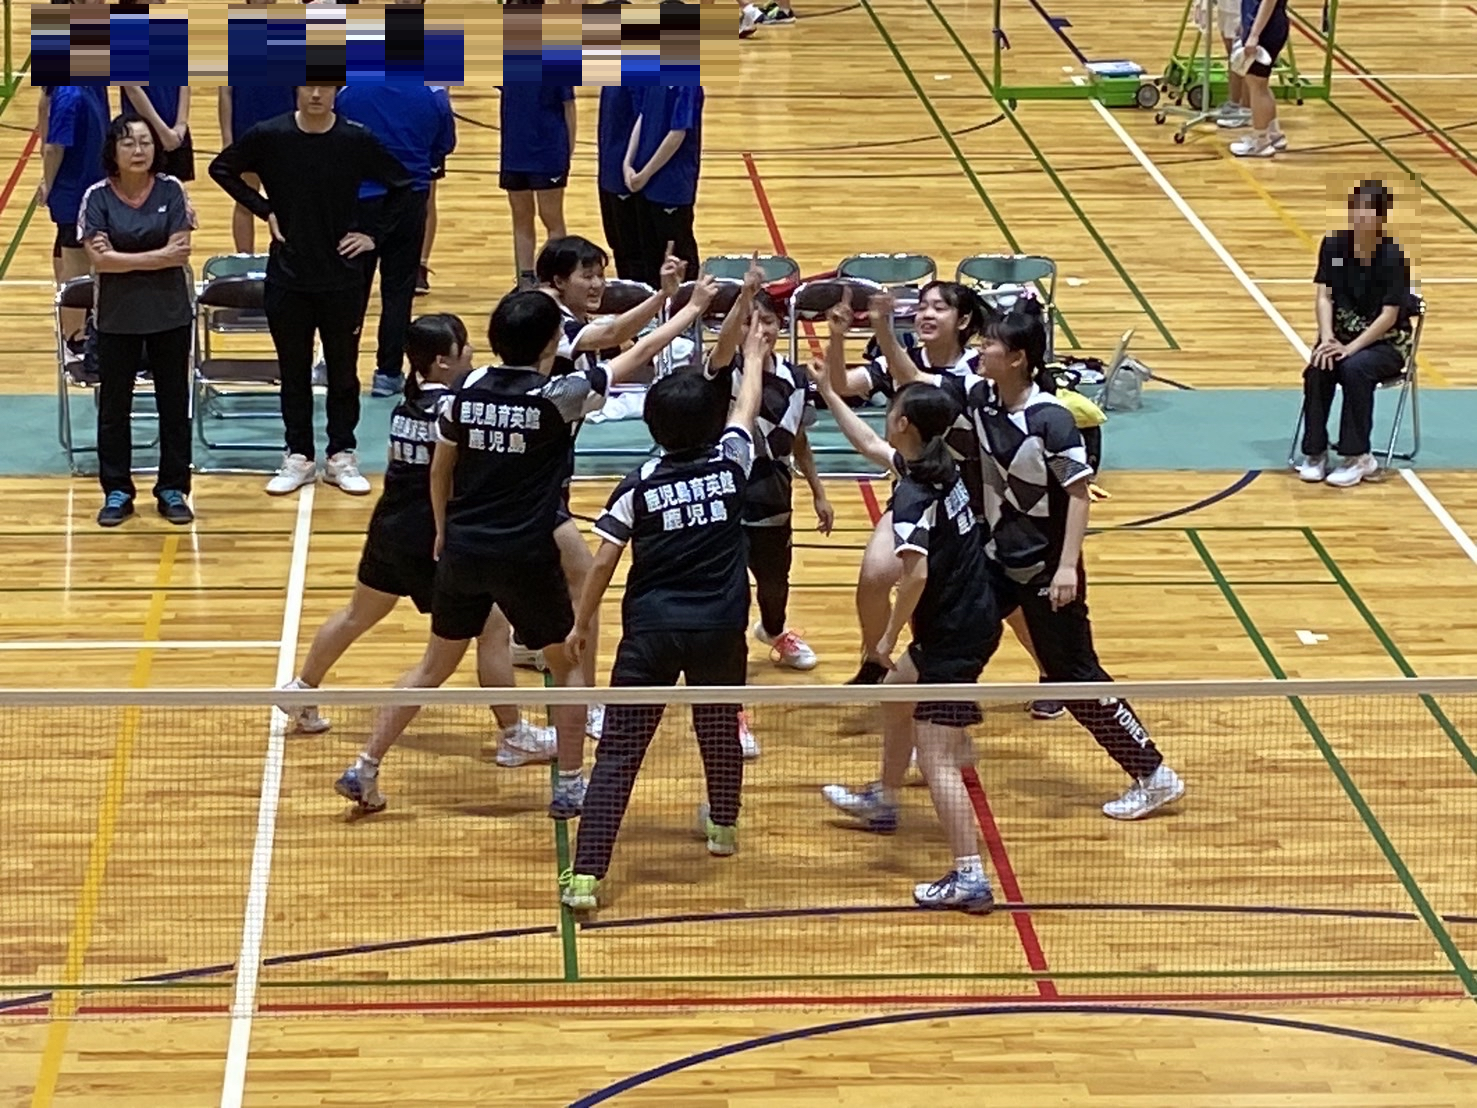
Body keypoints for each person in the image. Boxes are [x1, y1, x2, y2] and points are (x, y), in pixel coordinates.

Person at [333, 281, 720, 817]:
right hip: (525, 557)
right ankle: (570, 783)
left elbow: (442, 467)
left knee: (432, 666)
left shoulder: (463, 389)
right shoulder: (558, 398)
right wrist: (692, 308)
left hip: (463, 552)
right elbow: (639, 354)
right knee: (566, 665)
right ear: (550, 344)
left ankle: (365, 765)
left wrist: (443, 529)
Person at [279, 313, 557, 765]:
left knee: (357, 613)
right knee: (492, 628)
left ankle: (301, 689)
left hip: (389, 528)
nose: (471, 352)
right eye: (463, 346)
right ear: (443, 361)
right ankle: (514, 735)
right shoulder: (454, 408)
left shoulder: (405, 407)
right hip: (427, 539)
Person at [559, 314, 767, 913]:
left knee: (620, 750)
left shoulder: (639, 485)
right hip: (720, 629)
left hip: (650, 634)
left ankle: (586, 875)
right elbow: (745, 409)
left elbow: (602, 562)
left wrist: (581, 624)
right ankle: (722, 826)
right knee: (718, 727)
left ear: (652, 426)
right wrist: (754, 357)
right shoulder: (732, 463)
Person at [969, 298, 1185, 820]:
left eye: (990, 343)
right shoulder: (982, 399)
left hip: (1046, 567)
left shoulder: (1052, 420)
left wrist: (1066, 567)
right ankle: (923, 745)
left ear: (1017, 357)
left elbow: (1080, 496)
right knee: (949, 641)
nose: (981, 349)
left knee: (1077, 677)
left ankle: (1154, 773)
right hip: (998, 559)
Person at [807, 365, 1000, 912]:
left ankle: (970, 875)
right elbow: (869, 445)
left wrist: (886, 637)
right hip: (965, 620)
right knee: (896, 698)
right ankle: (884, 800)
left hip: (953, 636)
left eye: (890, 411)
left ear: (904, 424)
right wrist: (828, 392)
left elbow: (913, 576)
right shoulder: (940, 465)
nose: (884, 418)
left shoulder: (915, 493)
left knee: (936, 757)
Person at [514, 234, 687, 743]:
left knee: (512, 589)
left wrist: (663, 297)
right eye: (586, 275)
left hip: (543, 474)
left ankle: (525, 643)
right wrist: (675, 302)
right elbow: (617, 336)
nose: (597, 284)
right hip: (531, 484)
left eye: (600, 274)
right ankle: (585, 702)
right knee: (583, 582)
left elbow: (611, 332)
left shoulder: (556, 316)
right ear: (556, 280)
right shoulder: (551, 321)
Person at [209, 84, 412, 498]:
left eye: (324, 87)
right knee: (294, 371)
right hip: (288, 277)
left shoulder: (356, 138)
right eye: (308, 85)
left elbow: (403, 185)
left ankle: (341, 454)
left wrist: (372, 234)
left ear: (337, 91)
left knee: (343, 371)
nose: (316, 94)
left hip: (342, 278)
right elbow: (222, 169)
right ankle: (298, 455)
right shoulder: (270, 135)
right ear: (296, 89)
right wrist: (264, 209)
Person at [705, 255, 832, 675]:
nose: (760, 330)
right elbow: (723, 345)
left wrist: (819, 493)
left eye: (769, 322)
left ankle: (775, 632)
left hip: (774, 496)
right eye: (750, 322)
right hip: (728, 496)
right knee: (730, 585)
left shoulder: (796, 379)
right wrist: (745, 295)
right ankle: (728, 650)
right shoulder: (725, 370)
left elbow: (799, 440)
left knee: (775, 583)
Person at [80, 114, 196, 528]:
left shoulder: (172, 189)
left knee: (173, 405)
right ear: (113, 150)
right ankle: (117, 491)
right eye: (128, 143)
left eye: (146, 142)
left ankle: (172, 489)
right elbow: (101, 261)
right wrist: (157, 256)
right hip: (116, 319)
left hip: (170, 316)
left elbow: (180, 251)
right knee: (114, 409)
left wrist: (124, 257)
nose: (138, 150)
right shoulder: (96, 197)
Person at [336, 81, 456, 398]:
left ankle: (342, 370)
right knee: (399, 291)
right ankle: (388, 373)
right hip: (410, 201)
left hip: (360, 203)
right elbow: (444, 145)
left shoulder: (350, 92)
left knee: (351, 291)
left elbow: (337, 138)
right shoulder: (433, 95)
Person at [1297, 181, 1413, 488]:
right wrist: (1327, 339)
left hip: (1385, 343)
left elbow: (1388, 316)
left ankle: (1357, 456)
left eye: (1367, 211)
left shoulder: (1392, 258)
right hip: (1340, 337)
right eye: (1355, 209)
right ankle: (1315, 452)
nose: (1359, 216)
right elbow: (1325, 296)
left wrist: (1351, 349)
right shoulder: (1334, 248)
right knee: (1319, 367)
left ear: (1381, 217)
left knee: (1354, 368)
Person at [217, 0, 296, 254]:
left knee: (288, 200)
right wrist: (227, 138)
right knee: (245, 200)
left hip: (285, 128)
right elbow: (226, 91)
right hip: (247, 128)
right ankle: (244, 258)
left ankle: (288, 254)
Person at [40, 82, 109, 357]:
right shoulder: (70, 94)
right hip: (73, 192)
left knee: (77, 259)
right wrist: (47, 183)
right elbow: (54, 148)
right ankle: (73, 337)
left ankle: (80, 326)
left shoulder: (91, 85)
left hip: (90, 186)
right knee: (76, 264)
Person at [624, 84, 703, 286]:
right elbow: (643, 116)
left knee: (678, 262)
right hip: (645, 184)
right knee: (650, 259)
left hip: (672, 188)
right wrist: (628, 162)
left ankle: (687, 305)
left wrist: (646, 173)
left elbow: (677, 134)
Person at [1229, 0, 1290, 157]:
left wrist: (1254, 34)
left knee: (1256, 84)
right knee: (1260, 84)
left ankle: (1261, 142)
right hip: (1266, 24)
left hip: (1265, 29)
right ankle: (1274, 134)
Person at [596, 83, 641, 281]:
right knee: (618, 245)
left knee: (632, 250)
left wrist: (631, 166)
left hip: (624, 177)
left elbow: (644, 123)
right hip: (608, 172)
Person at [119, 81, 192, 186]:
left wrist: (181, 123)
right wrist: (162, 132)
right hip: (142, 130)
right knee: (141, 187)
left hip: (175, 130)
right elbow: (132, 89)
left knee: (175, 188)